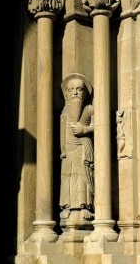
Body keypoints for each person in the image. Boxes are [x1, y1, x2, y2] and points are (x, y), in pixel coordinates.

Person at [59, 73, 94, 221]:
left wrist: (85, 130)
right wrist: (63, 150)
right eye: (71, 89)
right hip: (68, 149)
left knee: (82, 176)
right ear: (66, 93)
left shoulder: (89, 109)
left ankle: (84, 206)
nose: (75, 92)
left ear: (85, 93)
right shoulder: (65, 110)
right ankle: (67, 206)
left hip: (82, 147)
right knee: (67, 176)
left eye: (79, 89)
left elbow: (100, 124)